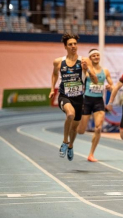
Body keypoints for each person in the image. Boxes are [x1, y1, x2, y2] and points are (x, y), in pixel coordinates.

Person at [49, 33, 97, 161]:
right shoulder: (58, 62)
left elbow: (95, 81)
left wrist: (87, 70)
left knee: (75, 127)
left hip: (78, 98)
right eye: (70, 44)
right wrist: (52, 89)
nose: (73, 46)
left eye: (75, 44)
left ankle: (71, 145)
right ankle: (65, 142)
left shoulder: (85, 61)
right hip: (64, 95)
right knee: (70, 114)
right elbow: (54, 74)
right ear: (65, 46)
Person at [77, 49, 113, 162]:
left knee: (98, 128)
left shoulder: (105, 71)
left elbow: (111, 84)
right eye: (94, 56)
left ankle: (91, 154)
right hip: (87, 101)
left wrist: (110, 86)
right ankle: (74, 124)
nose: (96, 57)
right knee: (81, 131)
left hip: (98, 102)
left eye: (97, 55)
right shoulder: (86, 71)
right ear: (90, 58)